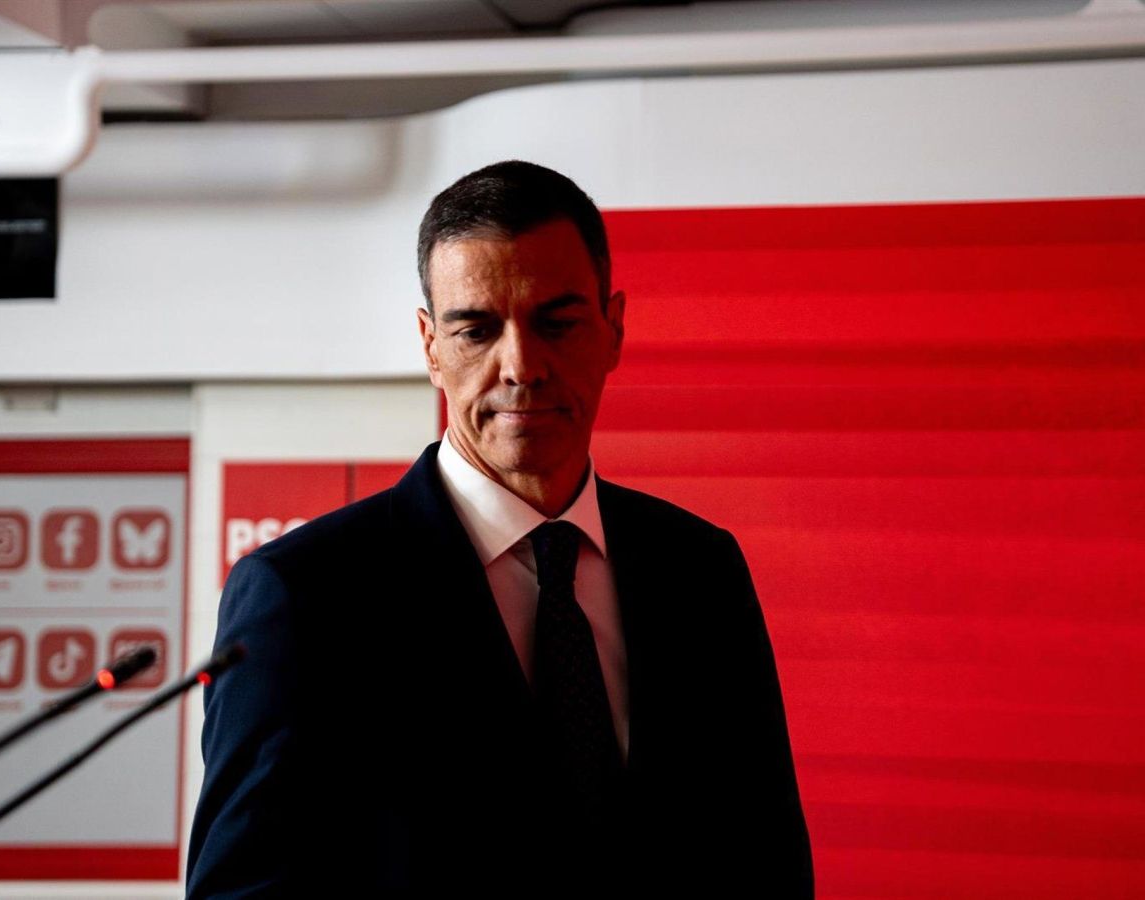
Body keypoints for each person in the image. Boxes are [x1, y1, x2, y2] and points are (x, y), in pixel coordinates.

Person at [185, 160, 813, 896]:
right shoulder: (307, 595)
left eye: (557, 323)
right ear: (431, 347)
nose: (521, 366)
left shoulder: (699, 568)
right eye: (478, 330)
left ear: (613, 329)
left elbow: (768, 860)